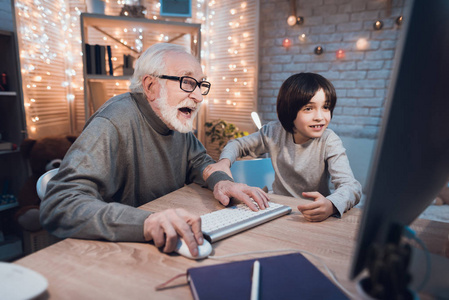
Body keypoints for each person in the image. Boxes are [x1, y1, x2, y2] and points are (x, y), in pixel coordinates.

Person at [40, 43, 269, 257]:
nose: (198, 96)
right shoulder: (112, 122)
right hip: (117, 254)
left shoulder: (174, 118)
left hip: (165, 244)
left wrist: (221, 181)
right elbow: (60, 204)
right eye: (187, 82)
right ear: (151, 86)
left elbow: (199, 162)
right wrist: (146, 223)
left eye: (201, 85)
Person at [204, 72, 362, 222]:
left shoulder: (329, 140)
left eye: (326, 107)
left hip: (312, 213)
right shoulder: (273, 132)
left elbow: (351, 186)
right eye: (309, 108)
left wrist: (331, 205)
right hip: (277, 207)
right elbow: (237, 145)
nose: (320, 117)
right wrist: (224, 162)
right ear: (289, 110)